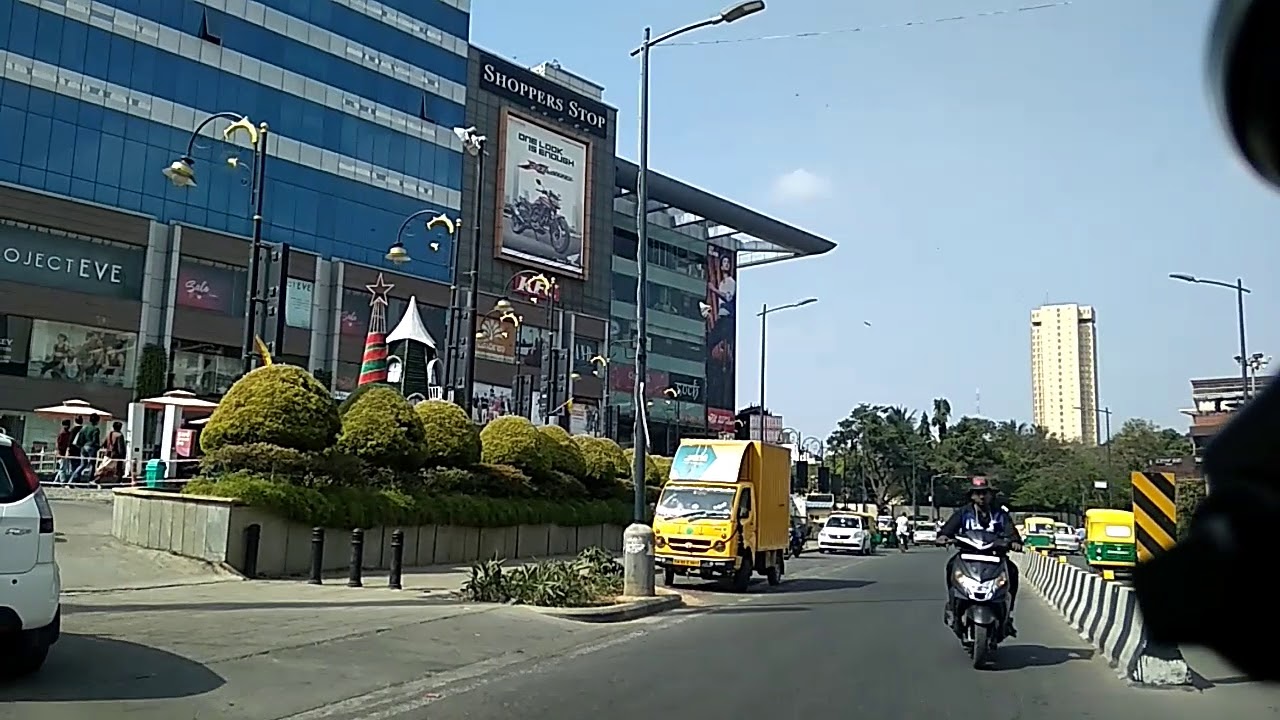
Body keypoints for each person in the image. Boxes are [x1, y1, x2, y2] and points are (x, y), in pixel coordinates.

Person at [937, 476, 1023, 635]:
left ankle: (1008, 614)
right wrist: (943, 537)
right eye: (977, 493)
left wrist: (1015, 542)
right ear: (971, 496)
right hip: (968, 556)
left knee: (1012, 571)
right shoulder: (963, 513)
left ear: (991, 495)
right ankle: (953, 605)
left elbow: (1011, 532)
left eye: (985, 493)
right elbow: (948, 530)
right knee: (950, 566)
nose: (981, 497)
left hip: (995, 557)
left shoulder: (1000, 514)